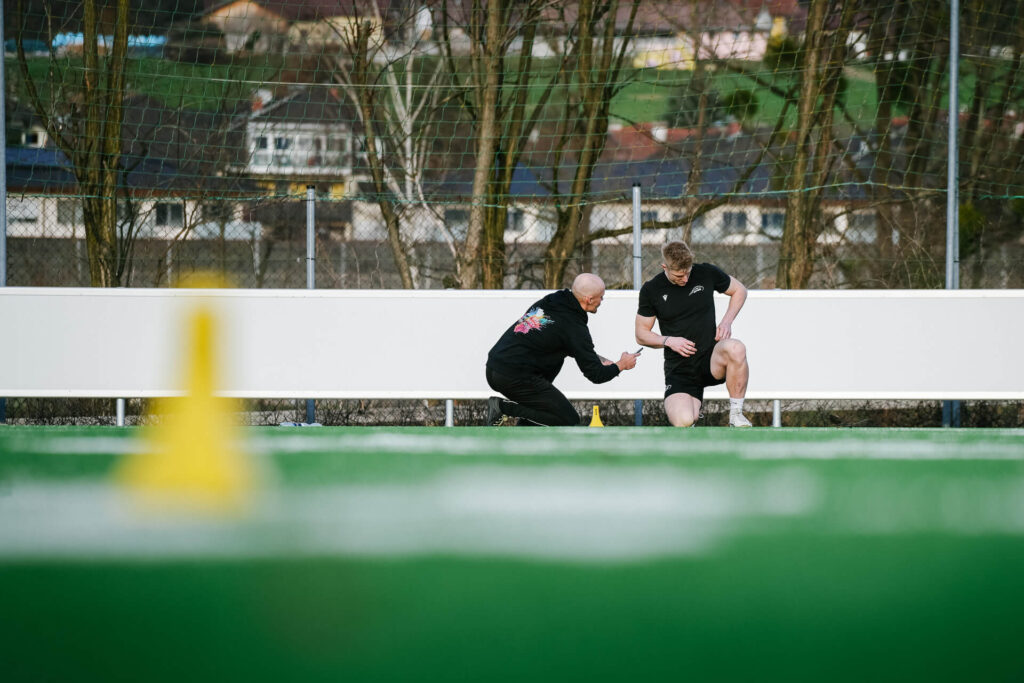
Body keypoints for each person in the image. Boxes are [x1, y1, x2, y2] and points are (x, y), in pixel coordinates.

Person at [486, 273, 640, 426]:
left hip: (495, 367)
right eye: (601, 296)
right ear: (589, 299)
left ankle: (524, 437)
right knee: (567, 419)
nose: (602, 300)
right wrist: (621, 365)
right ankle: (504, 408)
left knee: (545, 411)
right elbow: (596, 374)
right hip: (514, 376)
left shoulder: (552, 301)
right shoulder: (574, 326)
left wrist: (599, 360)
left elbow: (563, 342)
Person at [635, 241, 752, 428]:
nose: (686, 279)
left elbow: (740, 290)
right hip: (680, 370)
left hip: (711, 359)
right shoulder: (652, 290)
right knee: (684, 421)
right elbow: (641, 334)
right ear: (664, 267)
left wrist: (726, 321)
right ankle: (694, 409)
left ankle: (736, 415)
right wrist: (668, 341)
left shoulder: (705, 272)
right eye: (679, 275)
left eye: (688, 272)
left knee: (736, 347)